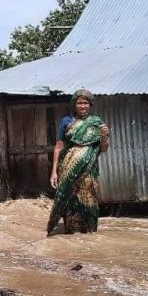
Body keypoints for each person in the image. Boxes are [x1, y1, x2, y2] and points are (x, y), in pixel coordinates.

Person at [47, 89, 110, 236]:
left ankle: (89, 234)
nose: (83, 106)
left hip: (89, 170)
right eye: (79, 103)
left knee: (89, 200)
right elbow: (58, 147)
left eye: (86, 103)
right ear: (74, 105)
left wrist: (105, 136)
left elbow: (103, 148)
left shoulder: (96, 123)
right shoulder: (66, 122)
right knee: (70, 200)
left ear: (90, 105)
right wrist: (53, 172)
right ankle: (71, 233)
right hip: (68, 168)